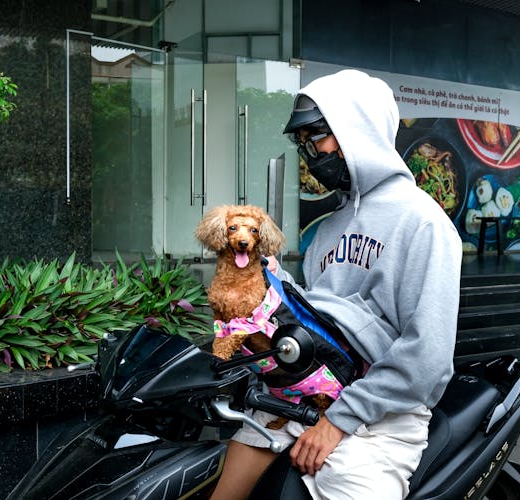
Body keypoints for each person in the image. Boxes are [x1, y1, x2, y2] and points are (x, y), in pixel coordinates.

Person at [209, 69, 462, 499]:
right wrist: (271, 283)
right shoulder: (327, 229)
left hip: (380, 416)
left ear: (355, 129)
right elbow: (321, 317)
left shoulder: (423, 223)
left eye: (317, 137)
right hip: (303, 394)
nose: (310, 153)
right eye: (303, 142)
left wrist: (340, 420)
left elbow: (428, 356)